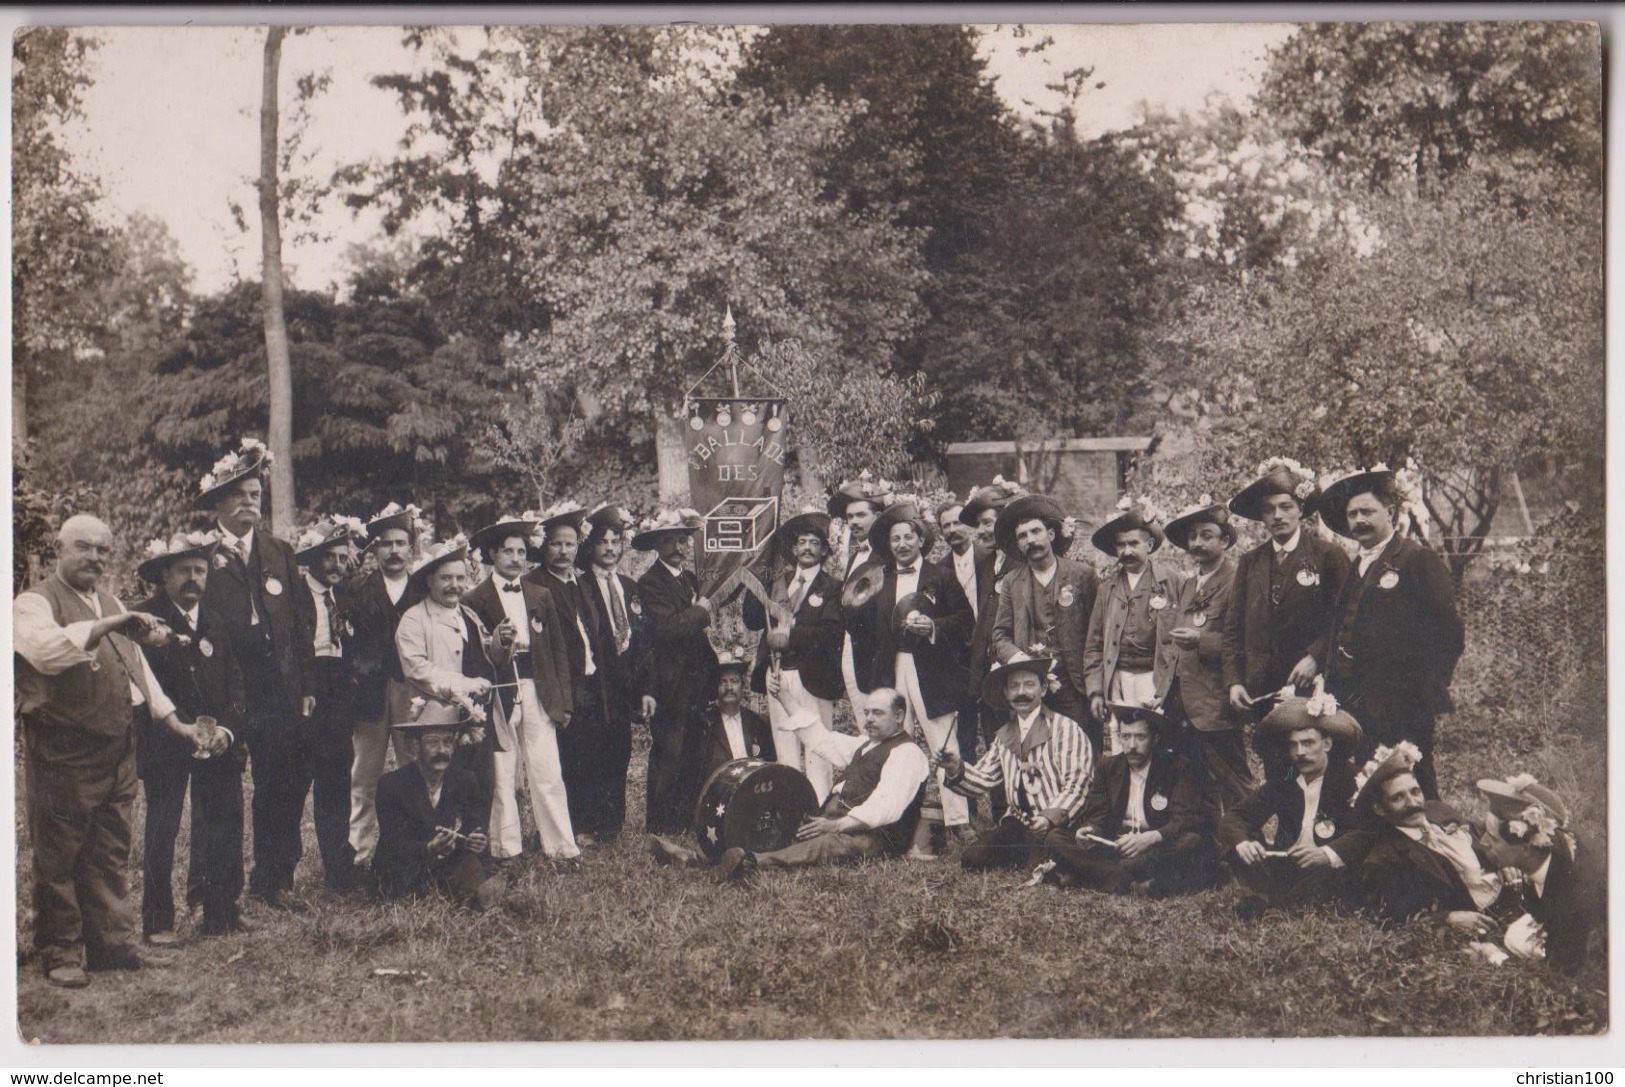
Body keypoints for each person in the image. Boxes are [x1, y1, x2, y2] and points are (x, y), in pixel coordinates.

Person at [16, 515, 205, 987]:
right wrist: (111, 622)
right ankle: (61, 950)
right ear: (59, 548)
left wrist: (172, 720)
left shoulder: (109, 602)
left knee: (110, 848)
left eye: (103, 550)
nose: (95, 558)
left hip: (117, 747)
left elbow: (135, 665)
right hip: (64, 750)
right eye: (84, 547)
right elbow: (46, 652)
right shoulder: (33, 602)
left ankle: (111, 946)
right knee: (59, 853)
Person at [195, 437, 315, 910]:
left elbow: (304, 622)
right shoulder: (202, 556)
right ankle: (213, 891)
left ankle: (274, 879)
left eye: (255, 495)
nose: (249, 503)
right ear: (219, 502)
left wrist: (305, 684)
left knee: (282, 781)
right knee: (221, 787)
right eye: (240, 495)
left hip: (277, 686)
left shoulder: (279, 551)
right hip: (225, 685)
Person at [133, 530, 250, 942]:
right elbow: (145, 687)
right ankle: (158, 921)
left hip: (214, 743)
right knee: (162, 828)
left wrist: (226, 730)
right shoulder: (145, 620)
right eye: (184, 571)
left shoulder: (215, 622)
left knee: (223, 821)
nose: (193, 579)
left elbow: (236, 684)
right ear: (165, 574)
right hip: (165, 741)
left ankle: (220, 911)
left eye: (200, 571)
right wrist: (183, 728)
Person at [1320, 468, 1465, 799]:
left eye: (1367, 511)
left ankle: (1435, 845)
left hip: (1405, 703)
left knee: (1415, 781)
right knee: (1368, 783)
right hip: (1356, 702)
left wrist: (1425, 687)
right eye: (1353, 514)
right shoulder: (1355, 566)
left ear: (1390, 511)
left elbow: (1450, 633)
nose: (1359, 520)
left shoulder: (1417, 560)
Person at [464, 513, 579, 862]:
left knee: (546, 767)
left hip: (537, 687)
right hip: (500, 686)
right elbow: (477, 656)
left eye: (521, 551)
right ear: (492, 555)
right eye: (508, 552)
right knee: (502, 768)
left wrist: (564, 700)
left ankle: (561, 847)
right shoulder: (475, 598)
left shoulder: (540, 593)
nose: (516, 558)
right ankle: (506, 847)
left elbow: (558, 649)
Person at [718, 689, 930, 878]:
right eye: (867, 713)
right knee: (787, 823)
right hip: (838, 824)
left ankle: (751, 863)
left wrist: (835, 825)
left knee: (826, 845)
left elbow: (885, 807)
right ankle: (714, 854)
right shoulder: (865, 744)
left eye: (878, 713)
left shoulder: (907, 753)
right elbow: (820, 738)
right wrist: (784, 698)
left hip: (876, 838)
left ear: (899, 716)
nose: (869, 719)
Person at [863, 500, 976, 842]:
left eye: (908, 537)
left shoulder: (941, 576)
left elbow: (966, 621)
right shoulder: (880, 580)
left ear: (921, 539)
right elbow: (867, 628)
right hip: (893, 665)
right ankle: (900, 821)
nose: (902, 544)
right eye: (895, 539)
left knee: (943, 742)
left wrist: (934, 627)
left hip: (932, 669)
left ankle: (959, 820)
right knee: (898, 744)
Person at [1221, 459, 1350, 752]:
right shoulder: (1250, 562)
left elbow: (1346, 620)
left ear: (1300, 509)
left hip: (1313, 686)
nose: (1277, 515)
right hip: (1264, 690)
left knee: (1313, 760)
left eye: (1285, 506)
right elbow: (1233, 629)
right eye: (1268, 509)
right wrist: (1234, 682)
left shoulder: (1327, 556)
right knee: (1276, 767)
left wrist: (1316, 656)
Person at [1217, 691, 1368, 917]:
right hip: (1289, 864)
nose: (1300, 752)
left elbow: (1367, 830)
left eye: (1308, 743)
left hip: (1331, 866)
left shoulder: (1351, 779)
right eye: (1293, 745)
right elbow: (1235, 817)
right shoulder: (1285, 780)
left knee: (1331, 879)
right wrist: (1243, 843)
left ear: (1326, 744)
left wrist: (1326, 853)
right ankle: (1278, 899)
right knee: (1238, 852)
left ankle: (1275, 903)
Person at [939, 653, 1093, 871]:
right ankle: (1030, 854)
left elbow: (1078, 784)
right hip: (1019, 823)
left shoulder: (1066, 729)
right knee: (973, 859)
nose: (1022, 693)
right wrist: (956, 767)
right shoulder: (1005, 735)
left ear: (1043, 689)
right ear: (1006, 693)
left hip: (1059, 825)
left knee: (1048, 857)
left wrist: (1049, 818)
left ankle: (1046, 856)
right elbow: (983, 778)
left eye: (1029, 685)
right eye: (1014, 686)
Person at [339, 502, 426, 875]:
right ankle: (358, 853)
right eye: (386, 543)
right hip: (370, 692)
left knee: (415, 765)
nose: (394, 551)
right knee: (365, 774)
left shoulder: (424, 588)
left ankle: (419, 846)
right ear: (374, 550)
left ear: (411, 548)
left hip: (412, 689)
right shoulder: (357, 588)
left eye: (401, 543)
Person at [1048, 705, 1216, 896]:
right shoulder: (1108, 767)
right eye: (1126, 737)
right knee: (1056, 837)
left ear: (1155, 739)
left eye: (1140, 737)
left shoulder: (1176, 767)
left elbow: (1184, 819)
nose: (1132, 745)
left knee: (1192, 843)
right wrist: (1089, 831)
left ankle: (1092, 873)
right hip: (1116, 846)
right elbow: (1097, 815)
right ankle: (1126, 880)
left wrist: (1149, 838)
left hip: (1154, 847)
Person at [529, 500, 621, 848]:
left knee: (590, 755)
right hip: (562, 685)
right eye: (556, 543)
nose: (563, 551)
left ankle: (588, 822)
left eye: (570, 544)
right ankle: (562, 827)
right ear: (544, 547)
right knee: (563, 758)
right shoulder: (535, 584)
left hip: (591, 681)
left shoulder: (582, 584)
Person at [1155, 498, 1251, 810]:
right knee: (1194, 785)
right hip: (1183, 701)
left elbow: (1246, 642)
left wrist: (1201, 640)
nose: (1197, 543)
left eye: (1206, 535)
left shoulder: (1237, 580)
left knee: (1234, 783)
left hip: (1216, 701)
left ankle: (1248, 846)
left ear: (1225, 540)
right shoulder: (1189, 583)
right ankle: (1210, 851)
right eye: (1193, 536)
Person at [1356, 745, 1513, 933]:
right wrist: (1447, 919)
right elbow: (1392, 921)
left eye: (1415, 792)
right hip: (1481, 923)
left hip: (1511, 892)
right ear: (1379, 809)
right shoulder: (1384, 859)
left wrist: (1504, 862)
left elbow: (1483, 840)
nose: (1413, 803)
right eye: (1398, 798)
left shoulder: (1438, 810)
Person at [743, 508, 842, 802]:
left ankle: (819, 805)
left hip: (813, 675)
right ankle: (790, 807)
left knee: (817, 743)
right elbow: (751, 619)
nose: (807, 548)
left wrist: (790, 638)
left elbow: (832, 633)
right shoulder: (778, 583)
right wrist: (758, 576)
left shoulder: (832, 587)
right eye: (802, 542)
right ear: (794, 548)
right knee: (784, 739)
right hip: (777, 673)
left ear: (824, 550)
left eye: (814, 543)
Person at [392, 536, 505, 790]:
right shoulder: (414, 619)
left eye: (460, 578)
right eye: (446, 578)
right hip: (435, 721)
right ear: (430, 581)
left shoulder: (469, 614)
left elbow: (485, 658)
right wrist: (464, 684)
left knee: (481, 787)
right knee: (439, 792)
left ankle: (479, 831)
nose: (454, 585)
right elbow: (416, 669)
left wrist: (502, 643)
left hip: (475, 719)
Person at [634, 508, 721, 837]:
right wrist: (700, 610)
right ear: (657, 545)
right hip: (669, 682)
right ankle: (659, 823)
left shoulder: (689, 579)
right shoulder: (649, 583)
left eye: (683, 539)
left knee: (694, 750)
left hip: (698, 679)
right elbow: (669, 629)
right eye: (669, 540)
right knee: (669, 751)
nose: (678, 546)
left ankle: (684, 817)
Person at [292, 516, 366, 891]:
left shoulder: (344, 597)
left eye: (342, 558)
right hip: (304, 689)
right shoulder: (295, 595)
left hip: (337, 691)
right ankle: (278, 874)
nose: (337, 566)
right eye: (330, 558)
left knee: (336, 780)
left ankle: (339, 871)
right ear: (313, 559)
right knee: (294, 782)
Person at [577, 503, 657, 844]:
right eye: (603, 542)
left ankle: (613, 824)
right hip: (595, 688)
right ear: (591, 547)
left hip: (624, 686)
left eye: (615, 541)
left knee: (619, 752)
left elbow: (643, 643)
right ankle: (588, 823)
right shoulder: (580, 587)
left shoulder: (629, 586)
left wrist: (647, 689)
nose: (610, 548)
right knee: (592, 754)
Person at [374, 701, 502, 910]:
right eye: (433, 742)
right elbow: (392, 844)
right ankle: (463, 898)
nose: (441, 750)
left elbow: (473, 825)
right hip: (407, 865)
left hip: (448, 863)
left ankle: (476, 898)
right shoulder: (392, 785)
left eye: (448, 742)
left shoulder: (464, 780)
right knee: (400, 881)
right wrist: (429, 848)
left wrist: (475, 841)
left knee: (470, 866)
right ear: (416, 745)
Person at [991, 493, 1097, 743]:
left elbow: (1097, 632)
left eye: (1036, 532)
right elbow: (1000, 635)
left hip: (1074, 685)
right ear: (1018, 545)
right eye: (1023, 536)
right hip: (1031, 688)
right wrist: (1021, 660)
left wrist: (1095, 685)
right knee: (1037, 751)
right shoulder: (1011, 583)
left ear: (1051, 535)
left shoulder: (1082, 575)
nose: (1030, 540)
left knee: (1081, 747)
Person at [1476, 774, 1606, 976]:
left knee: (1514, 940)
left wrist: (1494, 956)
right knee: (1515, 936)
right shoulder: (1548, 846)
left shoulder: (1573, 899)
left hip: (1583, 937)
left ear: (1526, 849)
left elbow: (1558, 975)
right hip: (1558, 915)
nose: (1483, 842)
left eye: (1493, 839)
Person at [1083, 496, 1176, 754]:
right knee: (1121, 743)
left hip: (1155, 680)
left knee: (1156, 743)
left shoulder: (1172, 583)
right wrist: (1095, 691)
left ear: (1149, 544)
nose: (1127, 551)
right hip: (1119, 680)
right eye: (1121, 545)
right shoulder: (1107, 589)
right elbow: (1094, 645)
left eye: (1134, 543)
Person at [828, 474, 892, 711]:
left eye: (860, 515)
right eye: (850, 517)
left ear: (877, 517)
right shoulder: (855, 557)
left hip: (876, 657)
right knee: (863, 720)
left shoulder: (888, 557)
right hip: (851, 652)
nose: (854, 522)